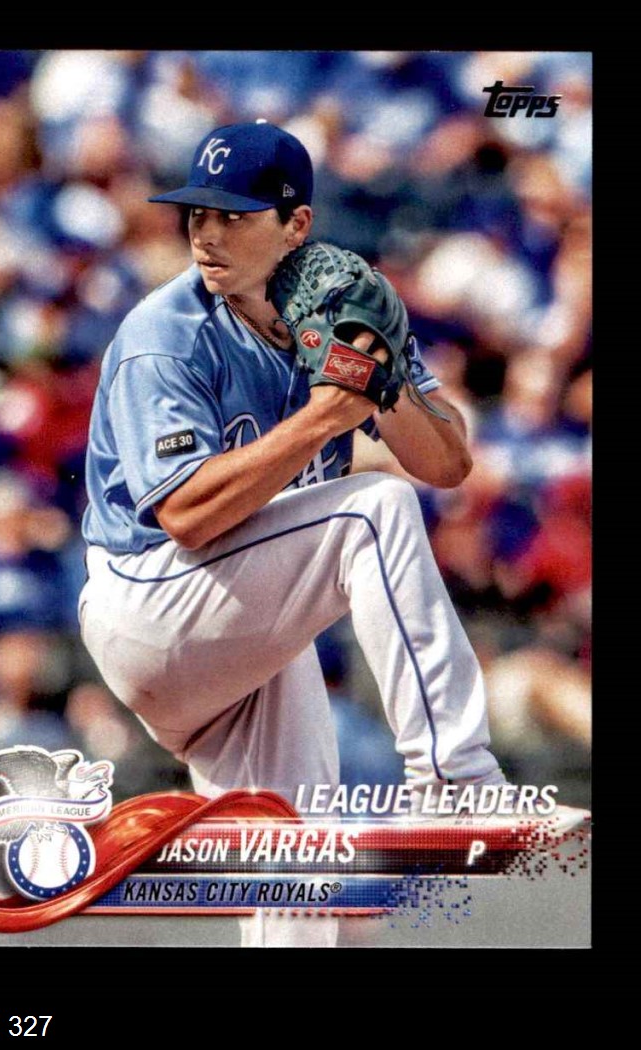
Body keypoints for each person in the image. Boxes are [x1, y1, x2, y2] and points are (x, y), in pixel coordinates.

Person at [78, 120, 508, 947]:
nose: (206, 234)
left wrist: (382, 387)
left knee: (302, 882)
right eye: (197, 213)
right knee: (372, 510)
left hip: (237, 625)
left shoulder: (340, 307)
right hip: (153, 602)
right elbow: (187, 516)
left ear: (296, 224)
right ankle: (453, 778)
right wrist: (326, 416)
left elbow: (449, 462)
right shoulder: (165, 333)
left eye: (233, 216)